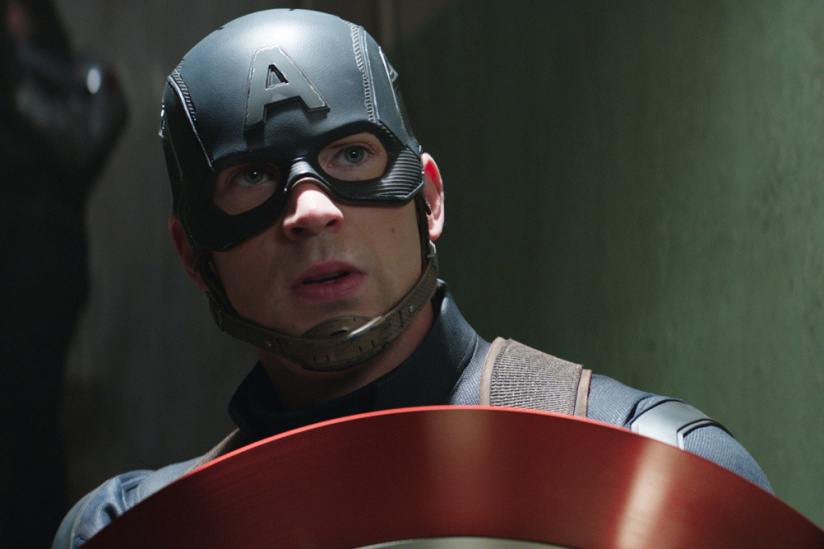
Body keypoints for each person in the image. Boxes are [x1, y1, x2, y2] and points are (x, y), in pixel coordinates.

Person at [53, 8, 771, 547]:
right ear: (193, 255)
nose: (311, 209)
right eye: (252, 178)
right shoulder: (134, 528)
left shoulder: (658, 469)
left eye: (351, 156)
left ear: (428, 198)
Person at [0, 0, 126, 546]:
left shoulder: (77, 76)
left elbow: (82, 139)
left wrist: (12, 79)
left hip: (38, 259)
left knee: (28, 419)